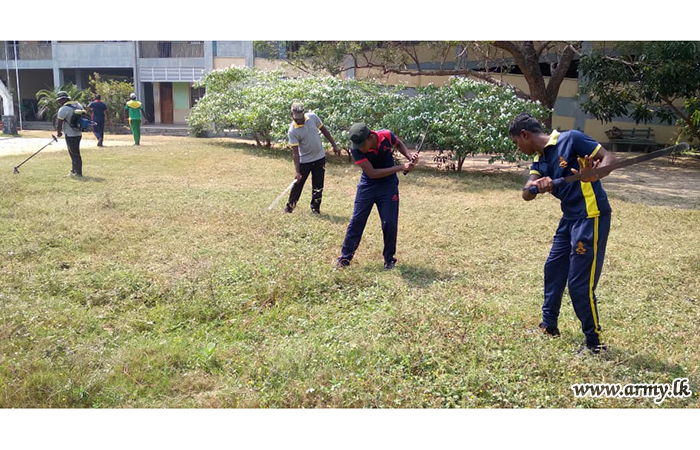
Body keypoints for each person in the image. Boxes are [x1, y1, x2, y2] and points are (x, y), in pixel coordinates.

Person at [510, 113, 616, 354]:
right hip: (569, 218)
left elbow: (609, 157)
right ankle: (549, 325)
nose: (518, 148)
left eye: (517, 142)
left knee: (579, 284)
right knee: (553, 269)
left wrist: (596, 174)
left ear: (524, 134)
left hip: (591, 216)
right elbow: (526, 193)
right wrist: (537, 186)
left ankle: (595, 343)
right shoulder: (540, 160)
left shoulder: (571, 139)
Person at [336, 123, 418, 271]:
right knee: (357, 221)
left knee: (389, 223)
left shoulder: (386, 135)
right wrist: (401, 167)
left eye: (362, 145)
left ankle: (389, 260)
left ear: (371, 137)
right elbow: (372, 173)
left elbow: (398, 144)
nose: (359, 148)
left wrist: (410, 157)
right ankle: (345, 258)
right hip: (368, 185)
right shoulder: (356, 149)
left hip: (388, 186)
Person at [284, 102, 341, 214]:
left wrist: (334, 145)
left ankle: (315, 208)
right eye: (297, 119)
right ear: (292, 115)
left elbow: (324, 131)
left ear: (303, 113)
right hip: (305, 161)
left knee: (318, 184)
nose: (300, 121)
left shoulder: (313, 117)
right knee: (298, 185)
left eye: (301, 118)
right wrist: (297, 171)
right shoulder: (292, 131)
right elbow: (295, 153)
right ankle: (289, 207)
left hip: (319, 158)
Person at [55, 90, 85, 177]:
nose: (59, 102)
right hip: (78, 133)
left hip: (70, 134)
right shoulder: (78, 105)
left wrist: (59, 132)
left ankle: (77, 172)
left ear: (63, 99)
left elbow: (59, 123)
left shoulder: (63, 109)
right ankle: (74, 170)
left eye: (59, 100)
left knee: (74, 153)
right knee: (75, 152)